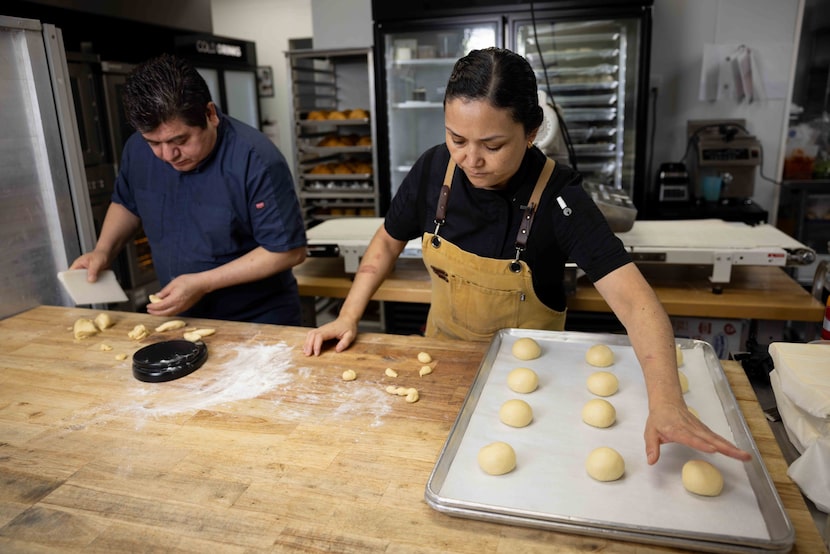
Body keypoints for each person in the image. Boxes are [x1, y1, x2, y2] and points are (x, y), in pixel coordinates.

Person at [304, 47, 751, 465]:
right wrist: (348, 316)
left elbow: (636, 302)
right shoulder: (432, 169)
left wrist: (667, 403)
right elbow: (386, 242)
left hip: (534, 381)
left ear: (532, 132)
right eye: (456, 138)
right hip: (440, 362)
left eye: (492, 146)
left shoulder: (561, 199)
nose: (470, 159)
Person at [71, 53, 307, 325]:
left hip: (258, 319)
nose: (167, 155)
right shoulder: (137, 150)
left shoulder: (256, 160)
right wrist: (103, 250)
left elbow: (288, 251)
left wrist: (202, 283)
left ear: (210, 114)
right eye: (153, 143)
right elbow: (126, 203)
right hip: (181, 317)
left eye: (179, 140)